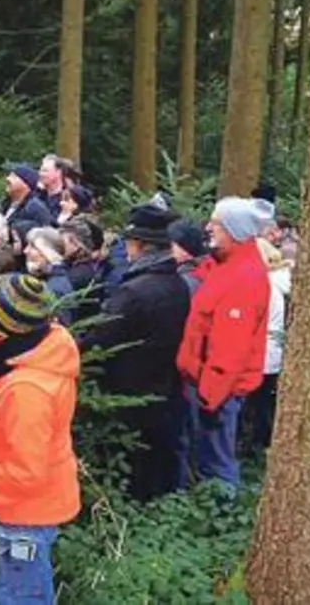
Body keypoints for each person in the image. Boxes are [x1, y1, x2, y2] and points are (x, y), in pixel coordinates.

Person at [0, 274, 81, 605]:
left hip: (25, 512)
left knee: (18, 596)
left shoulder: (25, 389)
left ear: (2, 326)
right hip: (31, 504)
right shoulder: (40, 348)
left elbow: (27, 469)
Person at [78, 203, 191, 500]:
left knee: (131, 464)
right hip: (163, 386)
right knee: (154, 458)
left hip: (126, 390)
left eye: (128, 243)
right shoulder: (177, 284)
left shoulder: (134, 291)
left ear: (140, 246)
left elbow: (100, 338)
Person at [176, 196, 275, 488]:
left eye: (216, 224)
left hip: (218, 390)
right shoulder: (229, 263)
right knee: (208, 451)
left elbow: (230, 350)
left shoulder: (244, 279)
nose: (208, 228)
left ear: (234, 231)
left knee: (217, 458)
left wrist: (210, 396)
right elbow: (211, 275)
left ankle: (221, 510)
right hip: (206, 381)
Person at [245, 237, 290, 453]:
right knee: (264, 402)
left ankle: (258, 444)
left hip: (263, 352)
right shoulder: (278, 283)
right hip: (272, 351)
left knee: (259, 403)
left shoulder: (265, 285)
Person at [0, 164, 54, 246]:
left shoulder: (34, 206)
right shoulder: (5, 204)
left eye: (14, 176)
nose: (7, 179)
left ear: (26, 184)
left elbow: (48, 232)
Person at [168, 219, 213, 293]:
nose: (170, 248)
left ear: (185, 249)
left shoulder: (187, 282)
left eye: (173, 244)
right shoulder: (211, 266)